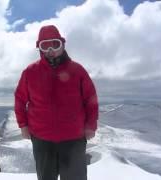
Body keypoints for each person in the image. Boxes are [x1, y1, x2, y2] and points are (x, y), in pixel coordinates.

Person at [14, 25, 99, 180]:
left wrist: (91, 126)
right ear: (39, 48)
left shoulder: (77, 71)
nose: (50, 49)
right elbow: (20, 99)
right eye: (44, 45)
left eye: (55, 44)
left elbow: (90, 100)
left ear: (62, 44)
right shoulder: (30, 72)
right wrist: (23, 125)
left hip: (74, 138)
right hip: (42, 139)